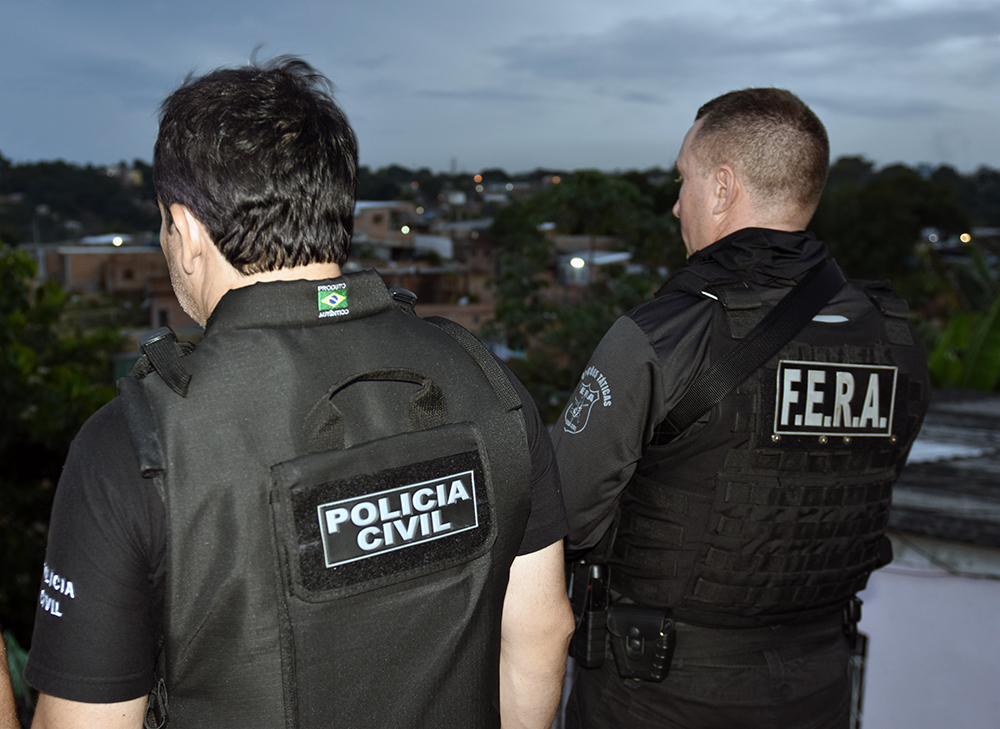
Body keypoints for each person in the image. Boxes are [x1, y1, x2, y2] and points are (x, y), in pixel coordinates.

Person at [26, 57, 573, 729]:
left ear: (187, 231)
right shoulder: (485, 381)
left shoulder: (136, 445)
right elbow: (542, 633)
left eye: (164, 227)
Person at [554, 88, 929, 729]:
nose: (678, 204)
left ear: (723, 188)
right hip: (818, 686)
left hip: (657, 690)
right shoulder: (894, 337)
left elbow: (560, 511)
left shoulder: (665, 334)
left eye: (685, 179)